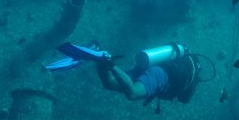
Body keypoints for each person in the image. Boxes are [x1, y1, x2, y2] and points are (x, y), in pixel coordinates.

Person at [47, 42, 201, 104]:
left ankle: (100, 57)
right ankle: (105, 61)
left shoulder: (169, 67)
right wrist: (110, 65)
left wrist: (105, 65)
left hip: (149, 65)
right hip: (158, 73)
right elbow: (132, 93)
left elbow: (111, 84)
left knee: (115, 83)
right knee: (132, 91)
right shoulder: (167, 77)